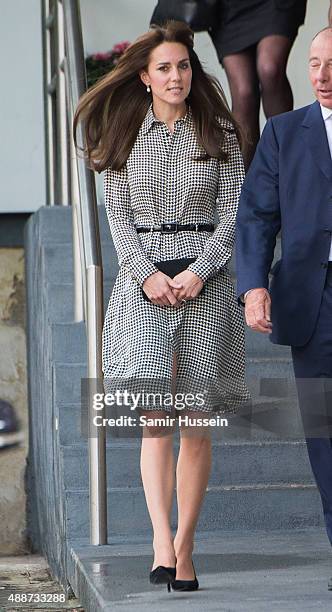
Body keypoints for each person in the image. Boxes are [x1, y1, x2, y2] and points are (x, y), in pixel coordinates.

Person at [74, 20, 249, 593]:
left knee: (196, 423)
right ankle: (158, 539)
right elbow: (117, 216)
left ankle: (186, 546)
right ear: (145, 77)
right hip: (142, 287)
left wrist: (199, 271)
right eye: (164, 68)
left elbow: (233, 216)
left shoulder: (220, 131)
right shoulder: (123, 130)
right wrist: (147, 274)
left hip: (209, 285)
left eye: (184, 66)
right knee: (156, 420)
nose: (176, 76)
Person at [236, 26, 332, 590]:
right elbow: (255, 217)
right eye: (315, 63)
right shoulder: (282, 133)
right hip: (310, 303)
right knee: (325, 432)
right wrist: (254, 286)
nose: (321, 76)